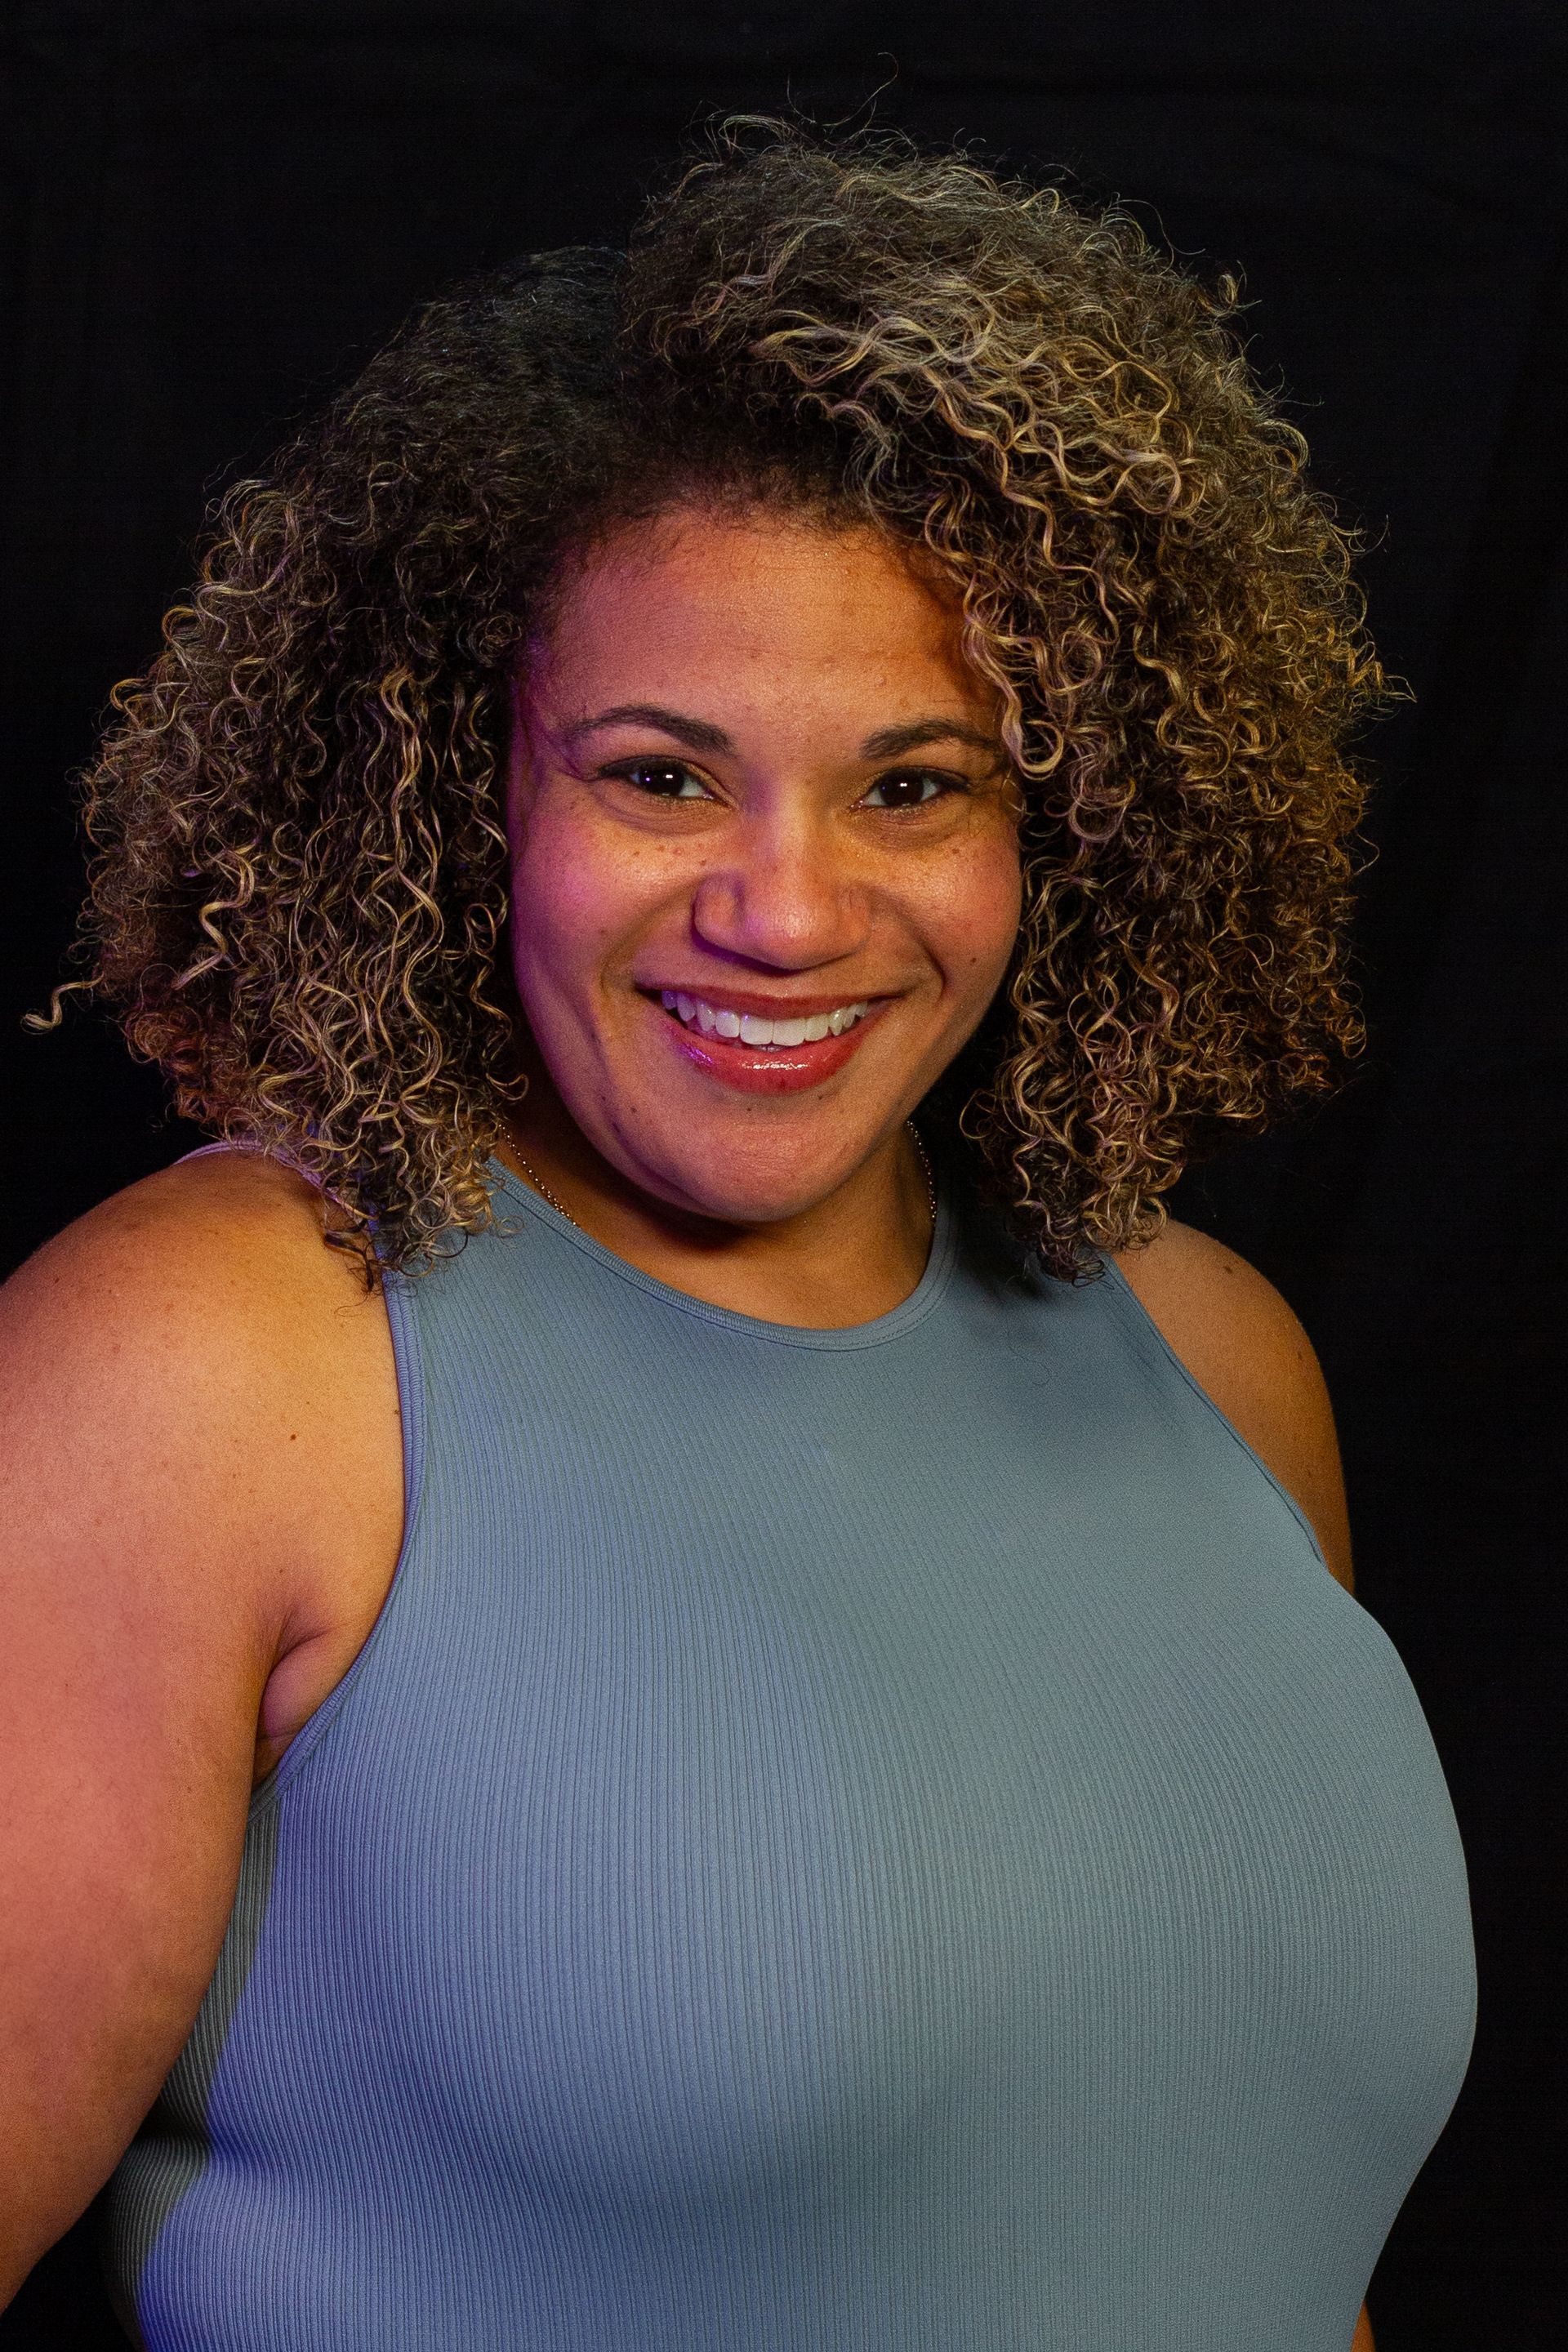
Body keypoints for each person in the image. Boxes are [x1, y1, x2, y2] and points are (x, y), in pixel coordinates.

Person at [2, 124, 1474, 2350]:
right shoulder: (222, 1360)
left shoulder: (1215, 1354)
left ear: (1064, 819)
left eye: (914, 783)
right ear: (455, 785)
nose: (786, 913)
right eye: (660, 775)